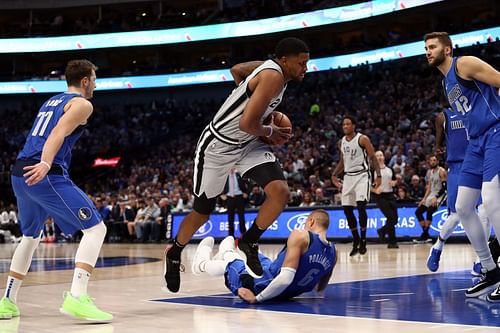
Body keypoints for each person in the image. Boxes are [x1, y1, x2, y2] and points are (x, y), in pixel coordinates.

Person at [163, 37, 309, 293]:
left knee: (280, 192)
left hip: (247, 143)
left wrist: (246, 92)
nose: (305, 68)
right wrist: (271, 131)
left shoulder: (273, 72)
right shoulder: (273, 76)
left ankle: (249, 241)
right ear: (284, 60)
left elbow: (237, 70)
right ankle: (174, 252)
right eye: (301, 63)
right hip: (218, 145)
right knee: (202, 212)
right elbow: (246, 124)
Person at [0, 60, 112, 321]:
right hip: (44, 172)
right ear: (85, 81)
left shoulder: (51, 101)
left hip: (19, 172)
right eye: (94, 80)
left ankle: (7, 301)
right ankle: (77, 297)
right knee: (96, 229)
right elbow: (57, 135)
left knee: (30, 237)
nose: (95, 85)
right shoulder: (83, 104)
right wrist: (46, 163)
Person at [424, 31, 500, 300]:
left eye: (432, 47)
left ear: (447, 50)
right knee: (463, 206)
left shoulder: (464, 63)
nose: (427, 51)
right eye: (426, 48)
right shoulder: (446, 84)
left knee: (491, 201)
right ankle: (490, 269)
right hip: (475, 143)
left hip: (495, 133)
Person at [191, 210, 336, 303]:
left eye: (305, 222)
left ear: (310, 221)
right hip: (280, 287)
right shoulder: (333, 252)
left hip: (258, 286)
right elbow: (319, 288)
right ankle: (236, 251)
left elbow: (285, 278)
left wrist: (257, 299)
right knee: (261, 258)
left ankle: (201, 264)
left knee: (230, 261)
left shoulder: (301, 235)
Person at [426, 108, 492, 273]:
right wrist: (439, 149)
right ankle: (438, 246)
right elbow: (438, 145)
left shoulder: (479, 110)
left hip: (478, 162)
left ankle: (481, 259)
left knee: (484, 211)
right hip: (456, 167)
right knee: (456, 215)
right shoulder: (443, 116)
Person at [332, 115, 381, 256]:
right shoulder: (341, 142)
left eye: (348, 124)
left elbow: (372, 157)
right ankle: (356, 240)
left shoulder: (362, 139)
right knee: (347, 210)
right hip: (348, 177)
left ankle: (364, 239)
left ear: (354, 125)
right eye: (343, 125)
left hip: (362, 175)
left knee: (361, 207)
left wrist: (378, 175)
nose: (345, 126)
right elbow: (342, 161)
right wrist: (334, 174)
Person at [413, 154, 447, 243]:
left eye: (434, 160)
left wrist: (436, 197)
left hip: (440, 195)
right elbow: (429, 187)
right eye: (431, 161)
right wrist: (424, 198)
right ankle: (426, 234)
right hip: (431, 194)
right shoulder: (430, 172)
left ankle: (424, 235)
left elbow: (445, 187)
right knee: (418, 212)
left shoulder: (441, 171)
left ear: (438, 161)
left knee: (429, 211)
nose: (432, 162)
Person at [372, 151, 399, 248]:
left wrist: (394, 183)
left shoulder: (390, 169)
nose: (379, 157)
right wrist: (375, 190)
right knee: (391, 218)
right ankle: (392, 242)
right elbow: (367, 185)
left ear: (383, 157)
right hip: (380, 196)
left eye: (381, 155)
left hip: (390, 195)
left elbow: (394, 180)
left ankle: (382, 230)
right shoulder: (373, 171)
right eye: (377, 156)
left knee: (394, 219)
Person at [221, 168, 248, 237]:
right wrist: (221, 195)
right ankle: (231, 236)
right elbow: (219, 186)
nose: (232, 168)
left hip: (239, 197)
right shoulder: (225, 177)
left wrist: (245, 192)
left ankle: (243, 235)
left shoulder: (239, 175)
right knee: (230, 218)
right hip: (229, 198)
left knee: (241, 217)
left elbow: (247, 183)